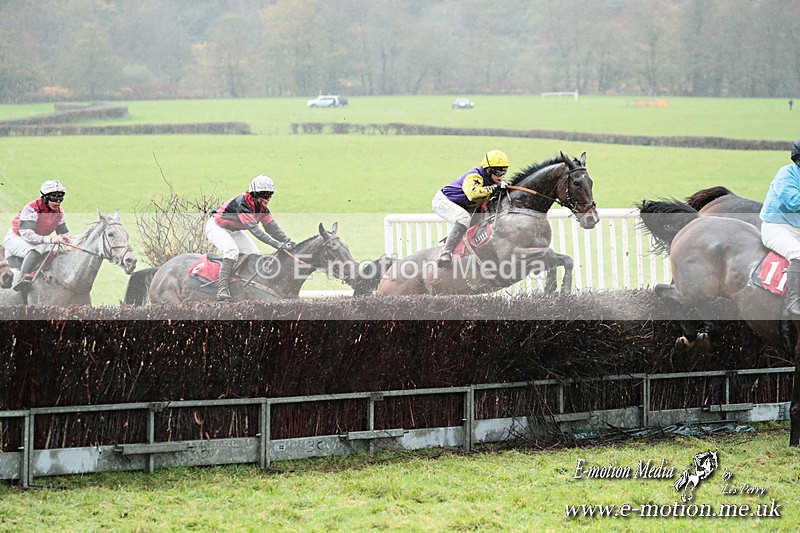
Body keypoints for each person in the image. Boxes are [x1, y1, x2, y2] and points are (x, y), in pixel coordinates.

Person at [205, 175, 295, 300]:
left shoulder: (262, 209)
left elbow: (272, 228)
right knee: (232, 251)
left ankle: (240, 283)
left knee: (254, 253)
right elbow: (256, 231)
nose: (268, 198)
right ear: (255, 194)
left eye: (270, 195)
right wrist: (277, 245)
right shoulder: (243, 204)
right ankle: (222, 288)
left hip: (234, 230)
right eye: (264, 195)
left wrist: (287, 240)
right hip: (216, 227)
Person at [432, 149, 509, 265]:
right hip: (443, 201)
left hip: (463, 204)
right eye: (498, 172)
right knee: (463, 218)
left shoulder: (493, 179)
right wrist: (495, 188)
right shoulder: (475, 175)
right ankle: (445, 253)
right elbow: (472, 194)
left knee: (480, 220)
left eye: (504, 172)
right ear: (488, 170)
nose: (501, 176)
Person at [4, 180, 72, 291]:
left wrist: (72, 241)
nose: (58, 202)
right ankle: (22, 279)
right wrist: (51, 240)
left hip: (36, 239)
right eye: (54, 198)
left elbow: (64, 233)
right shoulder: (31, 209)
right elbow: (27, 234)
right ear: (45, 198)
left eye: (60, 198)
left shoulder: (59, 213)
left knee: (55, 252)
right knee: (36, 250)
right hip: (17, 238)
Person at [760, 139, 800, 317]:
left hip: (796, 229)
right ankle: (794, 300)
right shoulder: (786, 174)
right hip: (776, 228)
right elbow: (793, 202)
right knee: (798, 253)